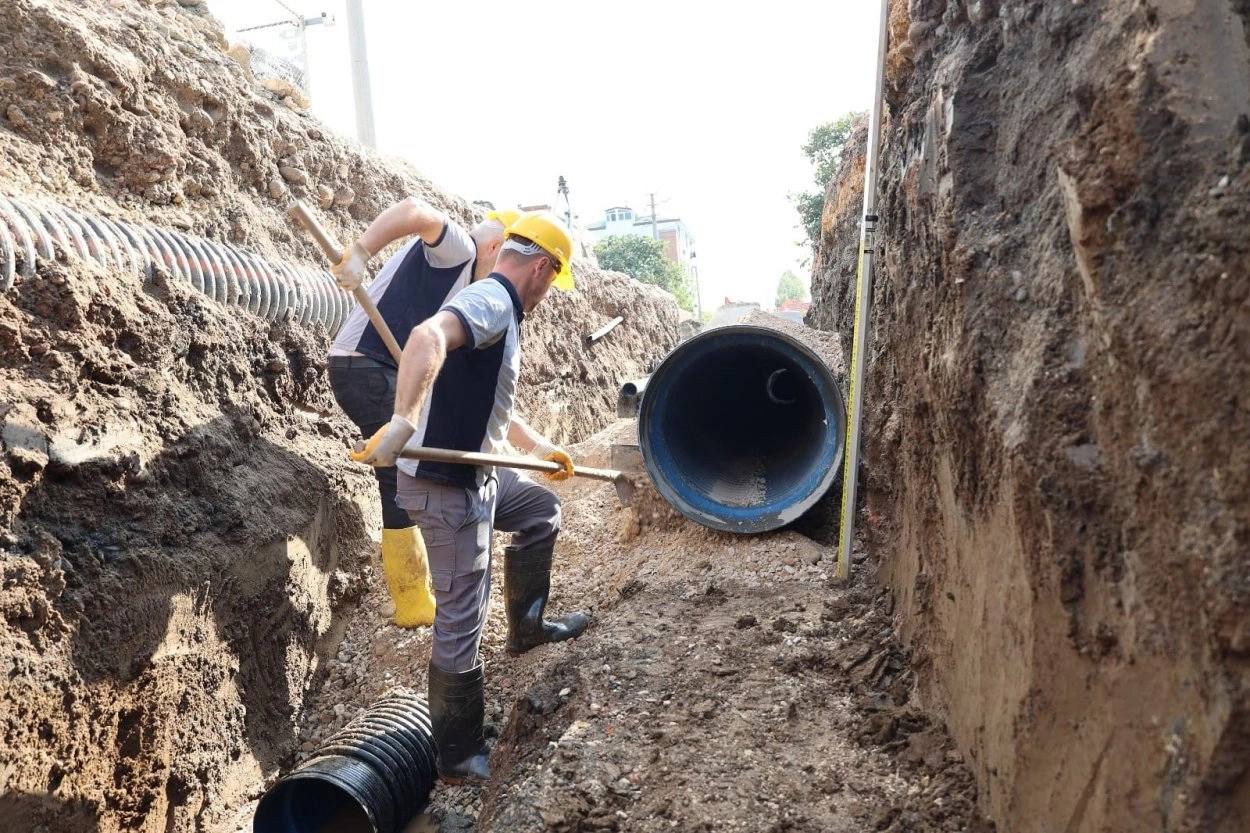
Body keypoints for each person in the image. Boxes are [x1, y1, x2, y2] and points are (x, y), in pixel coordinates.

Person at [349, 211, 588, 782]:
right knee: (462, 617)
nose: (550, 293)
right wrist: (403, 421)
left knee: (540, 509)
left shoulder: (501, 307)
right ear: (541, 268)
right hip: (446, 484)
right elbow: (426, 337)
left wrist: (542, 447)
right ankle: (457, 752)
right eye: (553, 282)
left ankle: (527, 625)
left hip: (477, 474)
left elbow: (493, 400)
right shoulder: (493, 300)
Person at [327, 197, 518, 628]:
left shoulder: (463, 283)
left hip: (371, 367)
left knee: (402, 469)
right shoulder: (460, 250)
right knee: (399, 476)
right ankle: (412, 599)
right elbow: (415, 209)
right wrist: (360, 252)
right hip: (366, 365)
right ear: (496, 247)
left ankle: (418, 591)